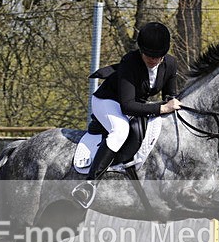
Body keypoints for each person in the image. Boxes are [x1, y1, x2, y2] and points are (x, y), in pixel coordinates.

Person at [72, 21, 182, 208]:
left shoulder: (170, 64)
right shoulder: (130, 62)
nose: (153, 60)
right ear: (141, 51)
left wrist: (173, 105)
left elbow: (169, 98)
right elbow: (128, 106)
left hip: (135, 102)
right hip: (108, 101)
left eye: (157, 56)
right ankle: (89, 184)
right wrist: (161, 108)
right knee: (120, 130)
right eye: (148, 55)